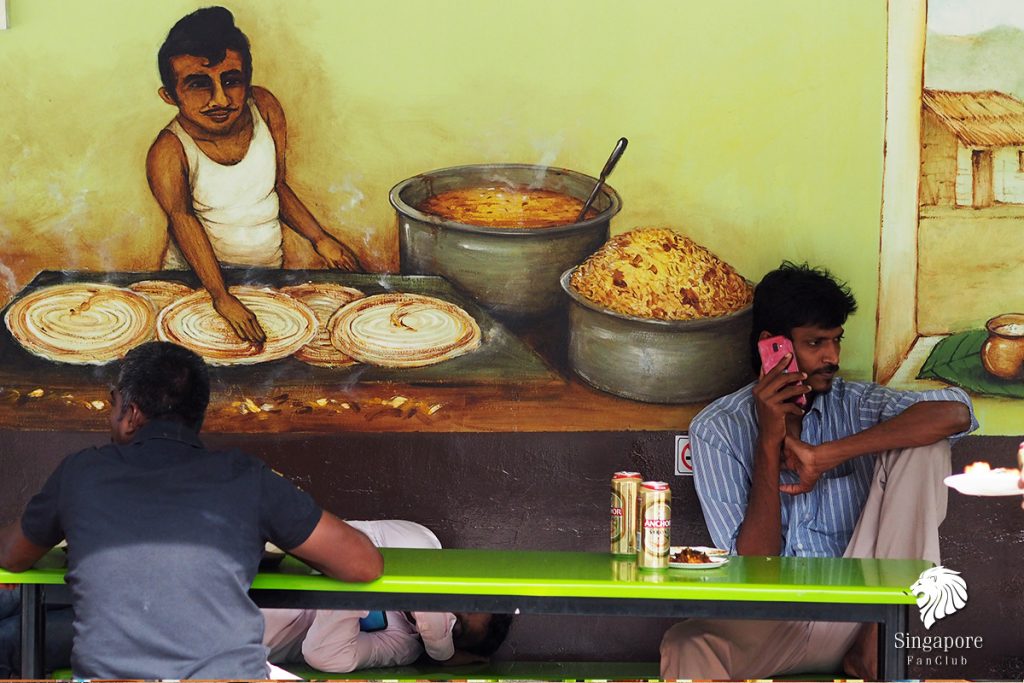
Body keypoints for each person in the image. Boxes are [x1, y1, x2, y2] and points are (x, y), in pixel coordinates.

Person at [660, 262, 978, 681]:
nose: (833, 357)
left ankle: (875, 653)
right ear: (772, 347)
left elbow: (957, 412)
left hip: (864, 612)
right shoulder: (718, 429)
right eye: (815, 343)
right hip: (772, 621)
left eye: (836, 340)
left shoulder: (856, 404)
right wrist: (769, 441)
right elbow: (752, 565)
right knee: (685, 644)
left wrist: (830, 454)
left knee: (927, 444)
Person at [0, 342, 383, 679]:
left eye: (113, 404)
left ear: (131, 413)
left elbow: (11, 556)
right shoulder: (245, 478)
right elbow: (363, 563)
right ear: (198, 415)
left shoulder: (81, 472)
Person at [147, 6, 362, 344]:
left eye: (231, 81)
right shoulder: (169, 150)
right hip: (198, 285)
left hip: (265, 276)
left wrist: (319, 239)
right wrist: (221, 296)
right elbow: (183, 222)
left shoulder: (264, 106)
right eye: (199, 85)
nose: (220, 99)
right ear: (170, 96)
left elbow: (276, 186)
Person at [263, 520, 513, 674]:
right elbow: (427, 603)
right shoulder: (423, 543)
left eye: (456, 628)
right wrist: (443, 655)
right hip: (252, 565)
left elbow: (324, 656)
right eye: (460, 601)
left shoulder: (404, 643)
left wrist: (354, 600)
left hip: (250, 634)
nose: (449, 614)